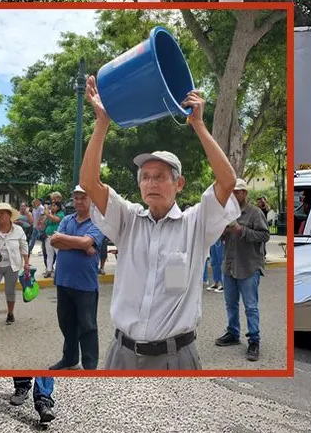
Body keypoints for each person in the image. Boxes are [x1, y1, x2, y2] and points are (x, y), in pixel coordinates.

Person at [81, 77, 238, 371]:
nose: (151, 182)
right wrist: (102, 122)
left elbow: (227, 181)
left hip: (176, 358)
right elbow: (89, 182)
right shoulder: (127, 219)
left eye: (160, 176)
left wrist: (198, 126)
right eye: (145, 177)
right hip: (122, 354)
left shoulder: (196, 224)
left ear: (179, 184)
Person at [48, 186, 105, 370]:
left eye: (83, 198)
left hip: (85, 284)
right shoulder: (66, 219)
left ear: (91, 200)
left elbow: (87, 242)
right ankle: (70, 358)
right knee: (66, 323)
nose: (79, 201)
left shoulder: (97, 223)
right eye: (76, 198)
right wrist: (80, 245)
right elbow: (54, 240)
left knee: (88, 327)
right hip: (63, 281)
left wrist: (70, 241)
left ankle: (90, 365)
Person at [215, 178, 270, 361]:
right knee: (230, 304)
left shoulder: (254, 213)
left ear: (245, 193)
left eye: (237, 192)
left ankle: (254, 340)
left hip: (248, 266)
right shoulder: (227, 212)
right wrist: (222, 231)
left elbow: (265, 235)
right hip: (229, 265)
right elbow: (219, 236)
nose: (234, 195)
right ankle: (233, 333)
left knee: (251, 306)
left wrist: (242, 230)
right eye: (232, 192)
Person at [0, 203, 29, 329]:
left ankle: (10, 313)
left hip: (12, 265)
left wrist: (26, 263)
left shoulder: (18, 230)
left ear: (9, 215)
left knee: (10, 291)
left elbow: (24, 246)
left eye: (2, 213)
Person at [42, 202, 64, 278]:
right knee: (49, 254)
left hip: (56, 237)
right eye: (51, 206)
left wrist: (47, 214)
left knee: (58, 254)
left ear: (58, 207)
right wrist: (46, 214)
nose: (52, 207)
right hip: (48, 237)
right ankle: (49, 270)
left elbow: (55, 220)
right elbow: (44, 223)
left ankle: (58, 271)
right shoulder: (50, 214)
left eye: (54, 206)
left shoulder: (61, 214)